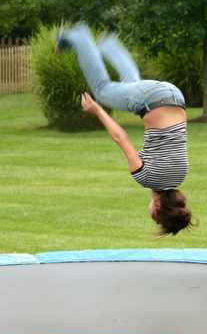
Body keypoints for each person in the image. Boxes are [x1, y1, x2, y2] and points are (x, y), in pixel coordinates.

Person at [56, 23, 193, 235]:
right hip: (151, 101)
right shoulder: (146, 178)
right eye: (155, 219)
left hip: (174, 95)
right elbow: (121, 137)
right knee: (102, 90)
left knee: (132, 84)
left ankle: (110, 45)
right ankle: (80, 37)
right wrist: (97, 110)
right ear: (158, 208)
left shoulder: (180, 176)